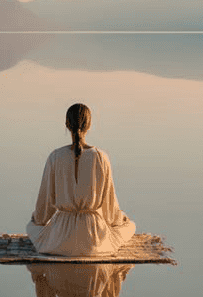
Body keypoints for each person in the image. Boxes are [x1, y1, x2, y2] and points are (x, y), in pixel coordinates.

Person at [26, 103, 136, 257]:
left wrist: (37, 219)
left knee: (31, 227)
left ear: (67, 125)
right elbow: (109, 208)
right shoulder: (101, 157)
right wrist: (120, 219)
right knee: (130, 226)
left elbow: (45, 204)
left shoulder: (55, 157)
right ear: (89, 125)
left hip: (59, 239)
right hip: (93, 239)